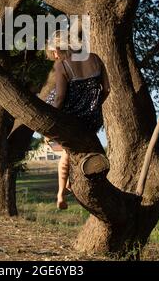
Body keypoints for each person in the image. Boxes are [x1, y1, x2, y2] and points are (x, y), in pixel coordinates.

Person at [45, 30, 110, 209]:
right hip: (92, 118)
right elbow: (106, 90)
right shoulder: (96, 59)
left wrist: (49, 122)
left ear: (61, 48)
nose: (55, 56)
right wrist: (93, 106)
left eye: (54, 52)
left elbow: (59, 98)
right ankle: (67, 185)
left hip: (71, 117)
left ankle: (60, 193)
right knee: (69, 151)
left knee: (66, 151)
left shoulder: (63, 65)